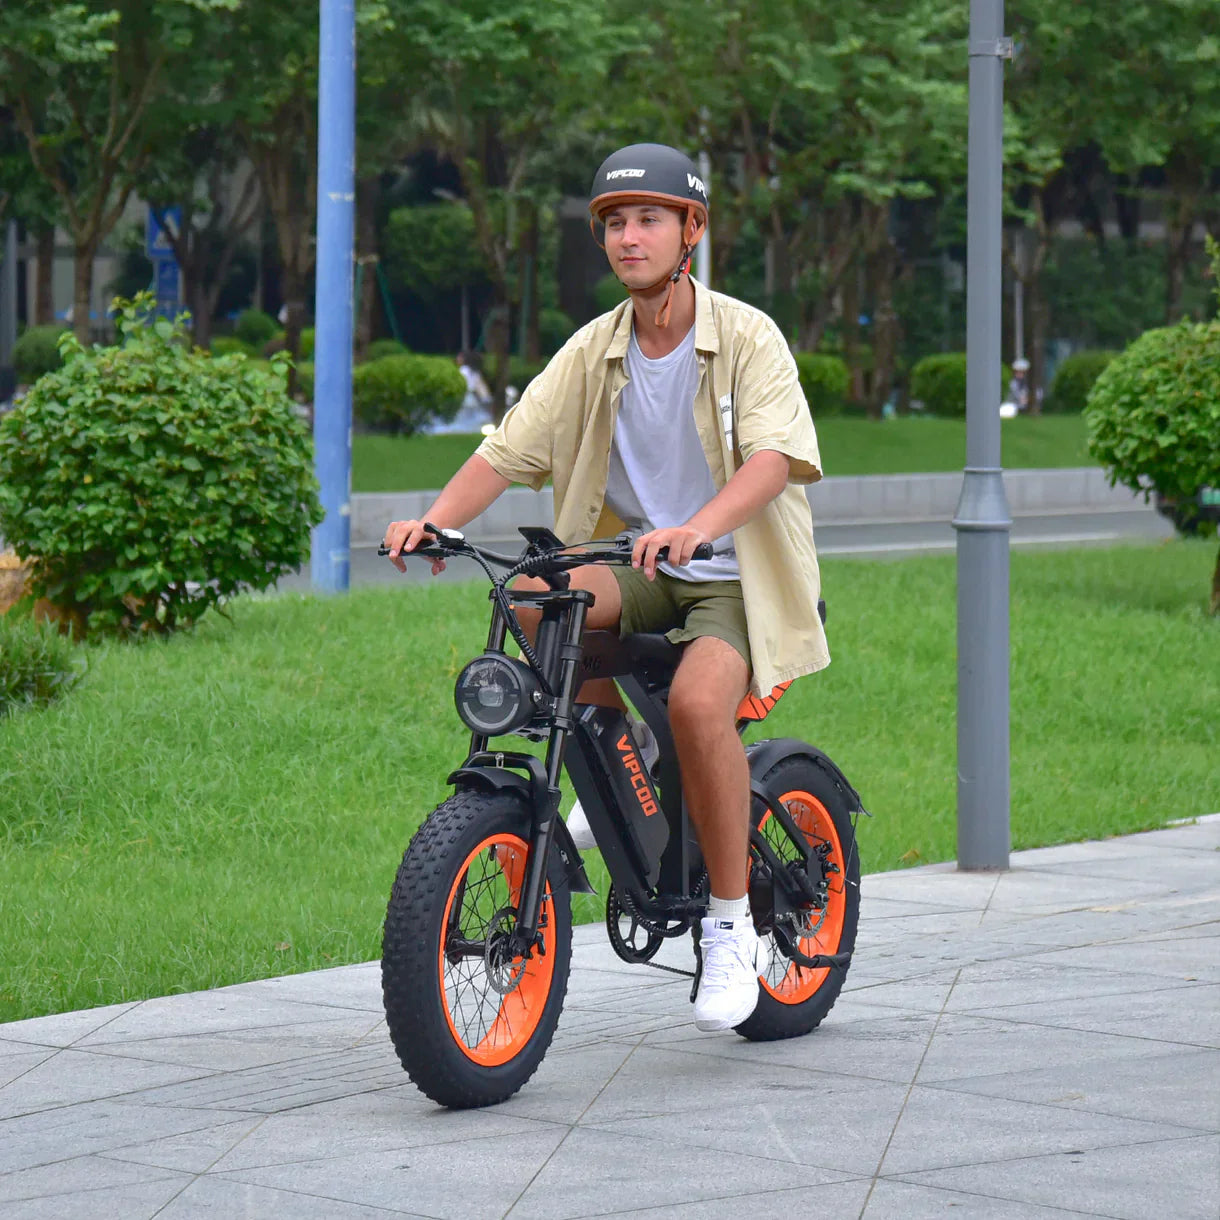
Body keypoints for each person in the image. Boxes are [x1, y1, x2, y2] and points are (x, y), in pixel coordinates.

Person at [382, 143, 829, 1033]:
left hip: (733, 577)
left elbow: (774, 460)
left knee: (699, 704)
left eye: (649, 219)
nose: (629, 237)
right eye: (615, 223)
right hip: (642, 566)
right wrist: (436, 521)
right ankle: (617, 777)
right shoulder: (593, 350)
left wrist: (699, 526)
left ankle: (729, 927)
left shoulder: (748, 337)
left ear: (691, 229)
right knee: (537, 601)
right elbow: (507, 450)